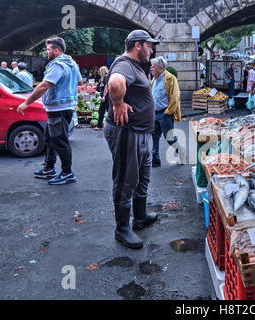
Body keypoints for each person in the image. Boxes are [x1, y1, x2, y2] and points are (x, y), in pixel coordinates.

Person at [104, 30, 160, 249]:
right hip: (128, 132)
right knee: (126, 179)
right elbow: (115, 83)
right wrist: (117, 103)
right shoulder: (125, 64)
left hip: (141, 133)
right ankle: (122, 228)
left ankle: (139, 217)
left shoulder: (136, 65)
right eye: (149, 45)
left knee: (142, 176)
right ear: (138, 45)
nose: (152, 50)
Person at [17, 37, 82, 185]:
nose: (46, 52)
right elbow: (80, 81)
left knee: (60, 141)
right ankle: (49, 167)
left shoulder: (57, 65)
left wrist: (26, 103)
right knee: (50, 139)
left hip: (58, 108)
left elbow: (44, 85)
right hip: (63, 106)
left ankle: (67, 173)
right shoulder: (72, 64)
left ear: (56, 50)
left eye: (48, 49)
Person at [150, 56, 184, 168]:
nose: (151, 68)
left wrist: (167, 113)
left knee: (169, 137)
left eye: (153, 67)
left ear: (160, 68)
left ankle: (181, 152)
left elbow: (175, 98)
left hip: (165, 113)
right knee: (154, 137)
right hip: (154, 113)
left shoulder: (171, 78)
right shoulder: (154, 79)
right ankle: (155, 159)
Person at [95, 66, 109, 130]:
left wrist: (104, 96)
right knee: (107, 111)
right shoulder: (104, 78)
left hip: (106, 97)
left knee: (101, 111)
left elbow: (106, 87)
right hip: (106, 97)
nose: (100, 73)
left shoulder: (106, 77)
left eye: (100, 72)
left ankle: (99, 125)